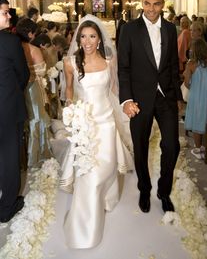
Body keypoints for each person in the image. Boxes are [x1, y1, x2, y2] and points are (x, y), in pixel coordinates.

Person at [61, 14, 133, 248]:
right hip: (85, 126)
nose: (87, 41)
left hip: (107, 124)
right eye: (83, 36)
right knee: (89, 177)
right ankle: (84, 230)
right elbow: (69, 90)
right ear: (78, 38)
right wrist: (70, 108)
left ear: (100, 40)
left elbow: (114, 89)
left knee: (108, 168)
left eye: (92, 36)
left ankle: (107, 199)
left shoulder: (110, 61)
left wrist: (125, 106)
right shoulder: (70, 62)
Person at [118, 0, 182, 214]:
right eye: (147, 3)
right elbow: (123, 68)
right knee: (141, 146)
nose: (151, 9)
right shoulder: (129, 29)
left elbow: (174, 64)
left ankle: (163, 192)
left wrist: (176, 95)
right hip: (139, 99)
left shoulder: (170, 29)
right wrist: (126, 100)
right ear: (141, 3)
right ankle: (144, 189)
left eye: (156, 4)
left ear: (162, 4)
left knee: (172, 146)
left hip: (166, 97)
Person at [0, 0, 29, 222]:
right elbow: (23, 74)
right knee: (9, 156)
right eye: (5, 12)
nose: (9, 16)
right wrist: (12, 92)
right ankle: (7, 207)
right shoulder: (9, 42)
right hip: (7, 107)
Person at [16, 18, 52, 167]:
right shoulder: (34, 49)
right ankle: (38, 154)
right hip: (32, 88)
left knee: (25, 120)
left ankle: (23, 156)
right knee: (37, 118)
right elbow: (42, 72)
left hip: (19, 88)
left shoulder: (14, 46)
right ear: (30, 34)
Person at [183, 38, 207, 159]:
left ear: (195, 50)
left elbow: (187, 84)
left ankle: (198, 149)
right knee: (206, 122)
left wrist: (187, 76)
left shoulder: (191, 64)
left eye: (192, 48)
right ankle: (205, 148)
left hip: (196, 97)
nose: (190, 49)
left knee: (197, 121)